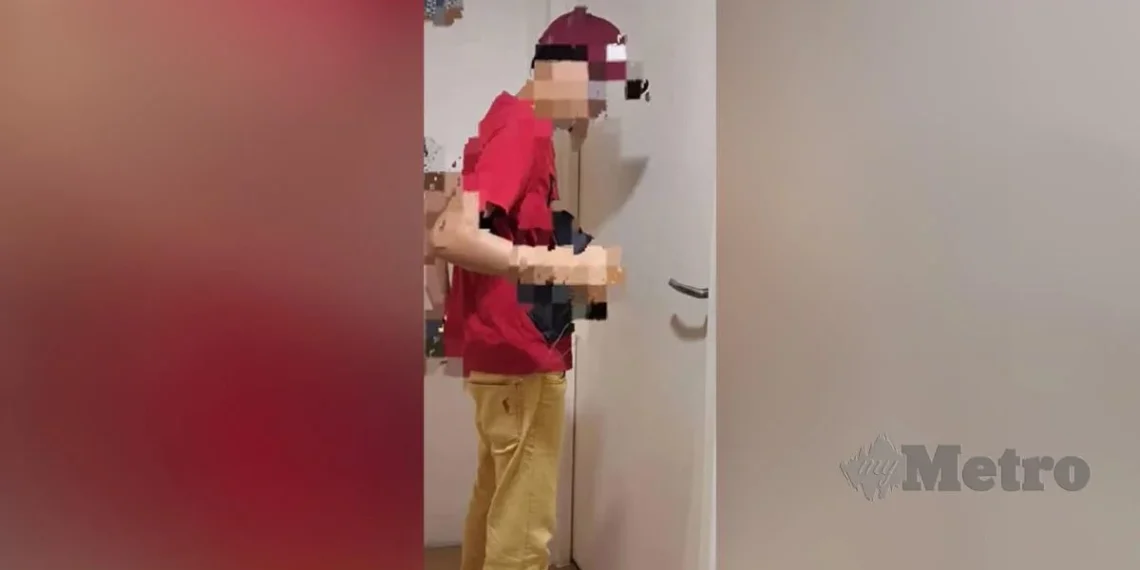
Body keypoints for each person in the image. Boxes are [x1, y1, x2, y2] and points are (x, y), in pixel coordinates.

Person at [426, 7, 647, 570]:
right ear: (569, 71)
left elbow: (458, 228)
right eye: (598, 91)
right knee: (524, 531)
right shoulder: (523, 128)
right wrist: (556, 265)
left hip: (500, 354)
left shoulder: (508, 121)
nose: (597, 110)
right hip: (520, 360)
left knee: (497, 502)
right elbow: (450, 235)